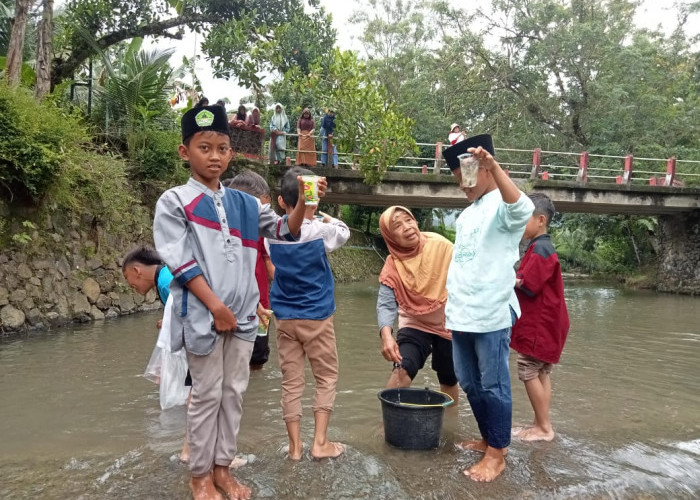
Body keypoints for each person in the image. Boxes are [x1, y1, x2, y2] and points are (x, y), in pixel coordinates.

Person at [153, 105, 327, 500]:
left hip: (246, 319)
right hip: (202, 317)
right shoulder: (175, 201)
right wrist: (215, 306)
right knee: (206, 395)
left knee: (234, 394)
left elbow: (285, 229)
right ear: (186, 152)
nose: (214, 156)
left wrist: (304, 203)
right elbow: (179, 260)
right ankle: (199, 477)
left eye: (222, 148)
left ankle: (223, 469)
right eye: (204, 147)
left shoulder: (247, 205)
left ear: (231, 153)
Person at [442, 134, 534, 483]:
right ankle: (488, 438)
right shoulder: (466, 215)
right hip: (463, 313)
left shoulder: (503, 205)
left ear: (484, 170)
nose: (462, 185)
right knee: (468, 381)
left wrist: (495, 167)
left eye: (466, 176)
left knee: (493, 384)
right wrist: (449, 309)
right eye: (457, 179)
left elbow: (522, 209)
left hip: (492, 312)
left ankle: (497, 453)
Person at [265, 167, 350, 460]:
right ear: (311, 199)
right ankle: (320, 443)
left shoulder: (271, 234)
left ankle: (294, 448)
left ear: (280, 201)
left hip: (285, 318)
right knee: (326, 377)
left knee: (291, 382)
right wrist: (322, 214)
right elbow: (344, 232)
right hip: (317, 316)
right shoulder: (320, 231)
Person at [376, 206, 459, 405]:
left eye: (409, 220)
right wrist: (386, 337)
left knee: (448, 378)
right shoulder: (392, 264)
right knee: (404, 367)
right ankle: (386, 423)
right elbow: (386, 304)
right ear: (390, 236)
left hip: (449, 322)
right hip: (415, 322)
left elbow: (467, 282)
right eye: (397, 225)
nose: (407, 227)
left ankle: (448, 427)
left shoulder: (442, 246)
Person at [121, 246, 191, 463]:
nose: (130, 285)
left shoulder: (164, 282)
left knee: (187, 393)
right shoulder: (166, 275)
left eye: (128, 278)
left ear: (137, 270)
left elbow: (185, 308)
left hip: (189, 344)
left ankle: (184, 444)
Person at [511, 193, 570, 442]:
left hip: (541, 323)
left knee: (528, 368)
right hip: (550, 322)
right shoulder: (542, 246)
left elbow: (529, 284)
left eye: (524, 219)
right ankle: (542, 423)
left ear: (541, 220)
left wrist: (501, 279)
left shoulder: (541, 249)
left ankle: (543, 428)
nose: (519, 224)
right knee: (542, 370)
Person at [222, 171, 275, 369]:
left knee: (258, 356)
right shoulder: (221, 231)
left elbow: (268, 260)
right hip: (232, 301)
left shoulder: (260, 229)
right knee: (229, 352)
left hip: (260, 300)